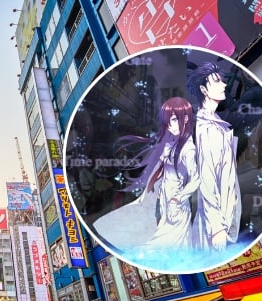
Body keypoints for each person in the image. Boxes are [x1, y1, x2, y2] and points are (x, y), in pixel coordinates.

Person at [94, 97, 200, 256]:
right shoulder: (171, 143)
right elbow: (160, 167)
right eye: (167, 122)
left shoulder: (188, 149)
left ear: (185, 119)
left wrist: (179, 197)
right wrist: (150, 185)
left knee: (173, 240)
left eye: (173, 120)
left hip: (176, 200)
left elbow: (195, 179)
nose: (170, 126)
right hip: (164, 195)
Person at [187, 62, 241, 253]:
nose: (224, 85)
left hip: (227, 216)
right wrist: (217, 227)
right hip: (217, 227)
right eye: (217, 81)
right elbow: (207, 176)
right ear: (203, 89)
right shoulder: (206, 127)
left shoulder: (218, 122)